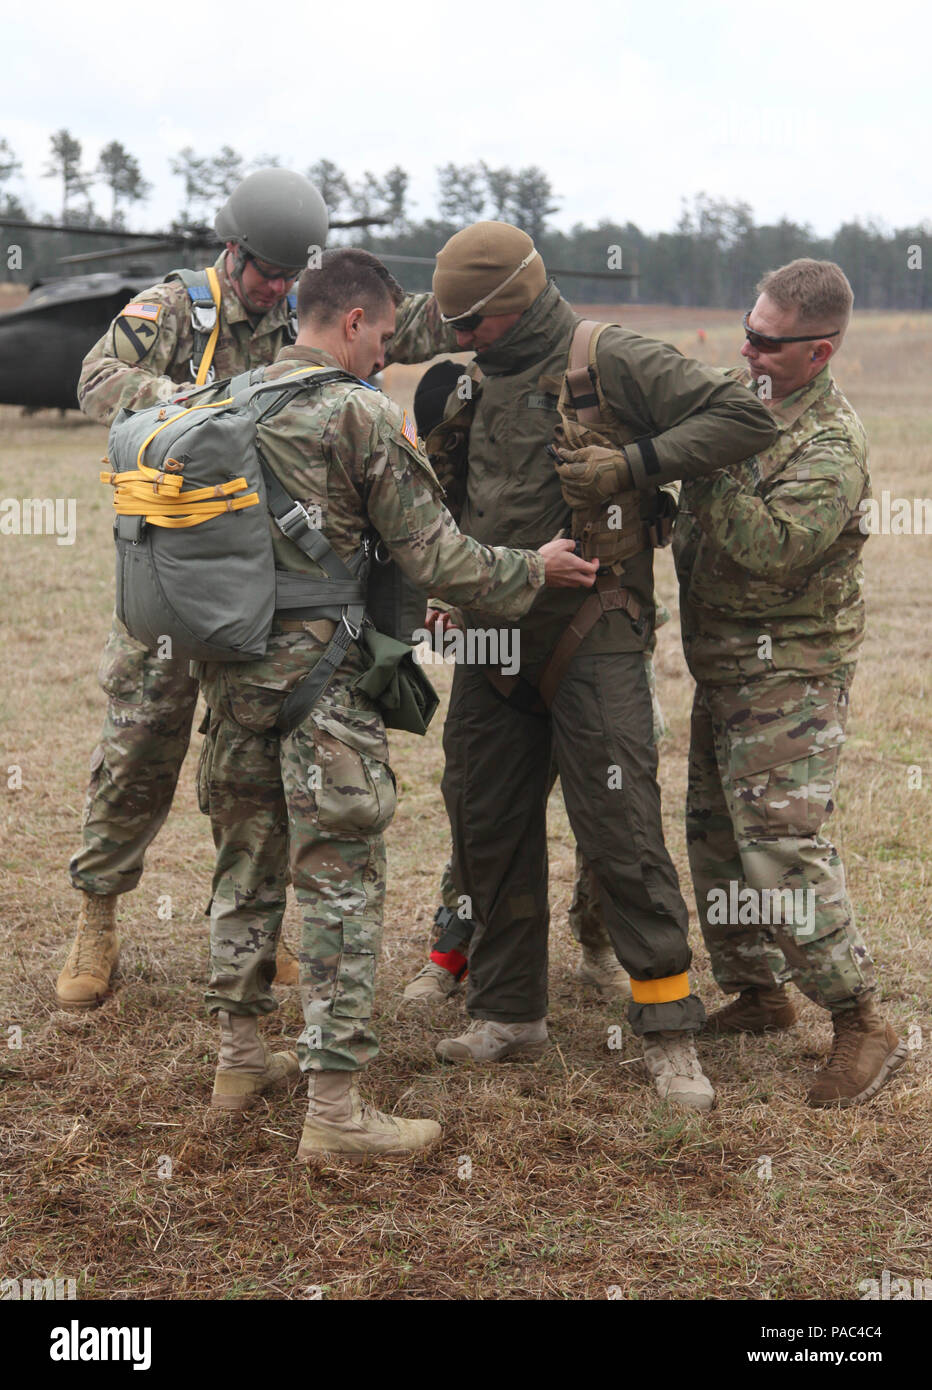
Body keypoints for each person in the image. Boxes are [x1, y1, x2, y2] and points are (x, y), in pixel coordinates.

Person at [193, 248, 597, 1160]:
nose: (385, 355)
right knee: (339, 888)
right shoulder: (359, 415)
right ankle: (334, 1111)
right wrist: (535, 568)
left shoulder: (229, 402)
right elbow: (442, 559)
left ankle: (240, 1057)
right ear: (349, 325)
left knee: (245, 869)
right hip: (323, 690)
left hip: (232, 683)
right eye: (381, 335)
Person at [58, 169, 455, 1010]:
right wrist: (197, 404)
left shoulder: (302, 312)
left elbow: (407, 316)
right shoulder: (174, 311)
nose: (275, 286)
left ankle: (253, 929)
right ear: (230, 249)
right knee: (139, 748)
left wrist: (488, 288)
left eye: (288, 273)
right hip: (178, 579)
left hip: (273, 588)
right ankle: (97, 917)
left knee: (256, 765)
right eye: (264, 270)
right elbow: (97, 379)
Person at [425, 221, 778, 1112]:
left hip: (594, 628)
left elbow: (744, 414)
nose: (457, 340)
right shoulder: (476, 376)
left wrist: (632, 464)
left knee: (620, 825)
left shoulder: (608, 357)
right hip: (489, 634)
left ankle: (668, 1031)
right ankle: (508, 1012)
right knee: (485, 820)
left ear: (513, 305)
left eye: (470, 324)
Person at [674, 258, 906, 1106]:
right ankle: (758, 990)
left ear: (822, 351)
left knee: (782, 847)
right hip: (725, 662)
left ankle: (861, 1020)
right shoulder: (750, 404)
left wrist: (700, 464)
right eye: (748, 331)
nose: (750, 352)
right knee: (716, 835)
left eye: (770, 344)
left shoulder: (830, 445)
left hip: (791, 673)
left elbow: (771, 547)